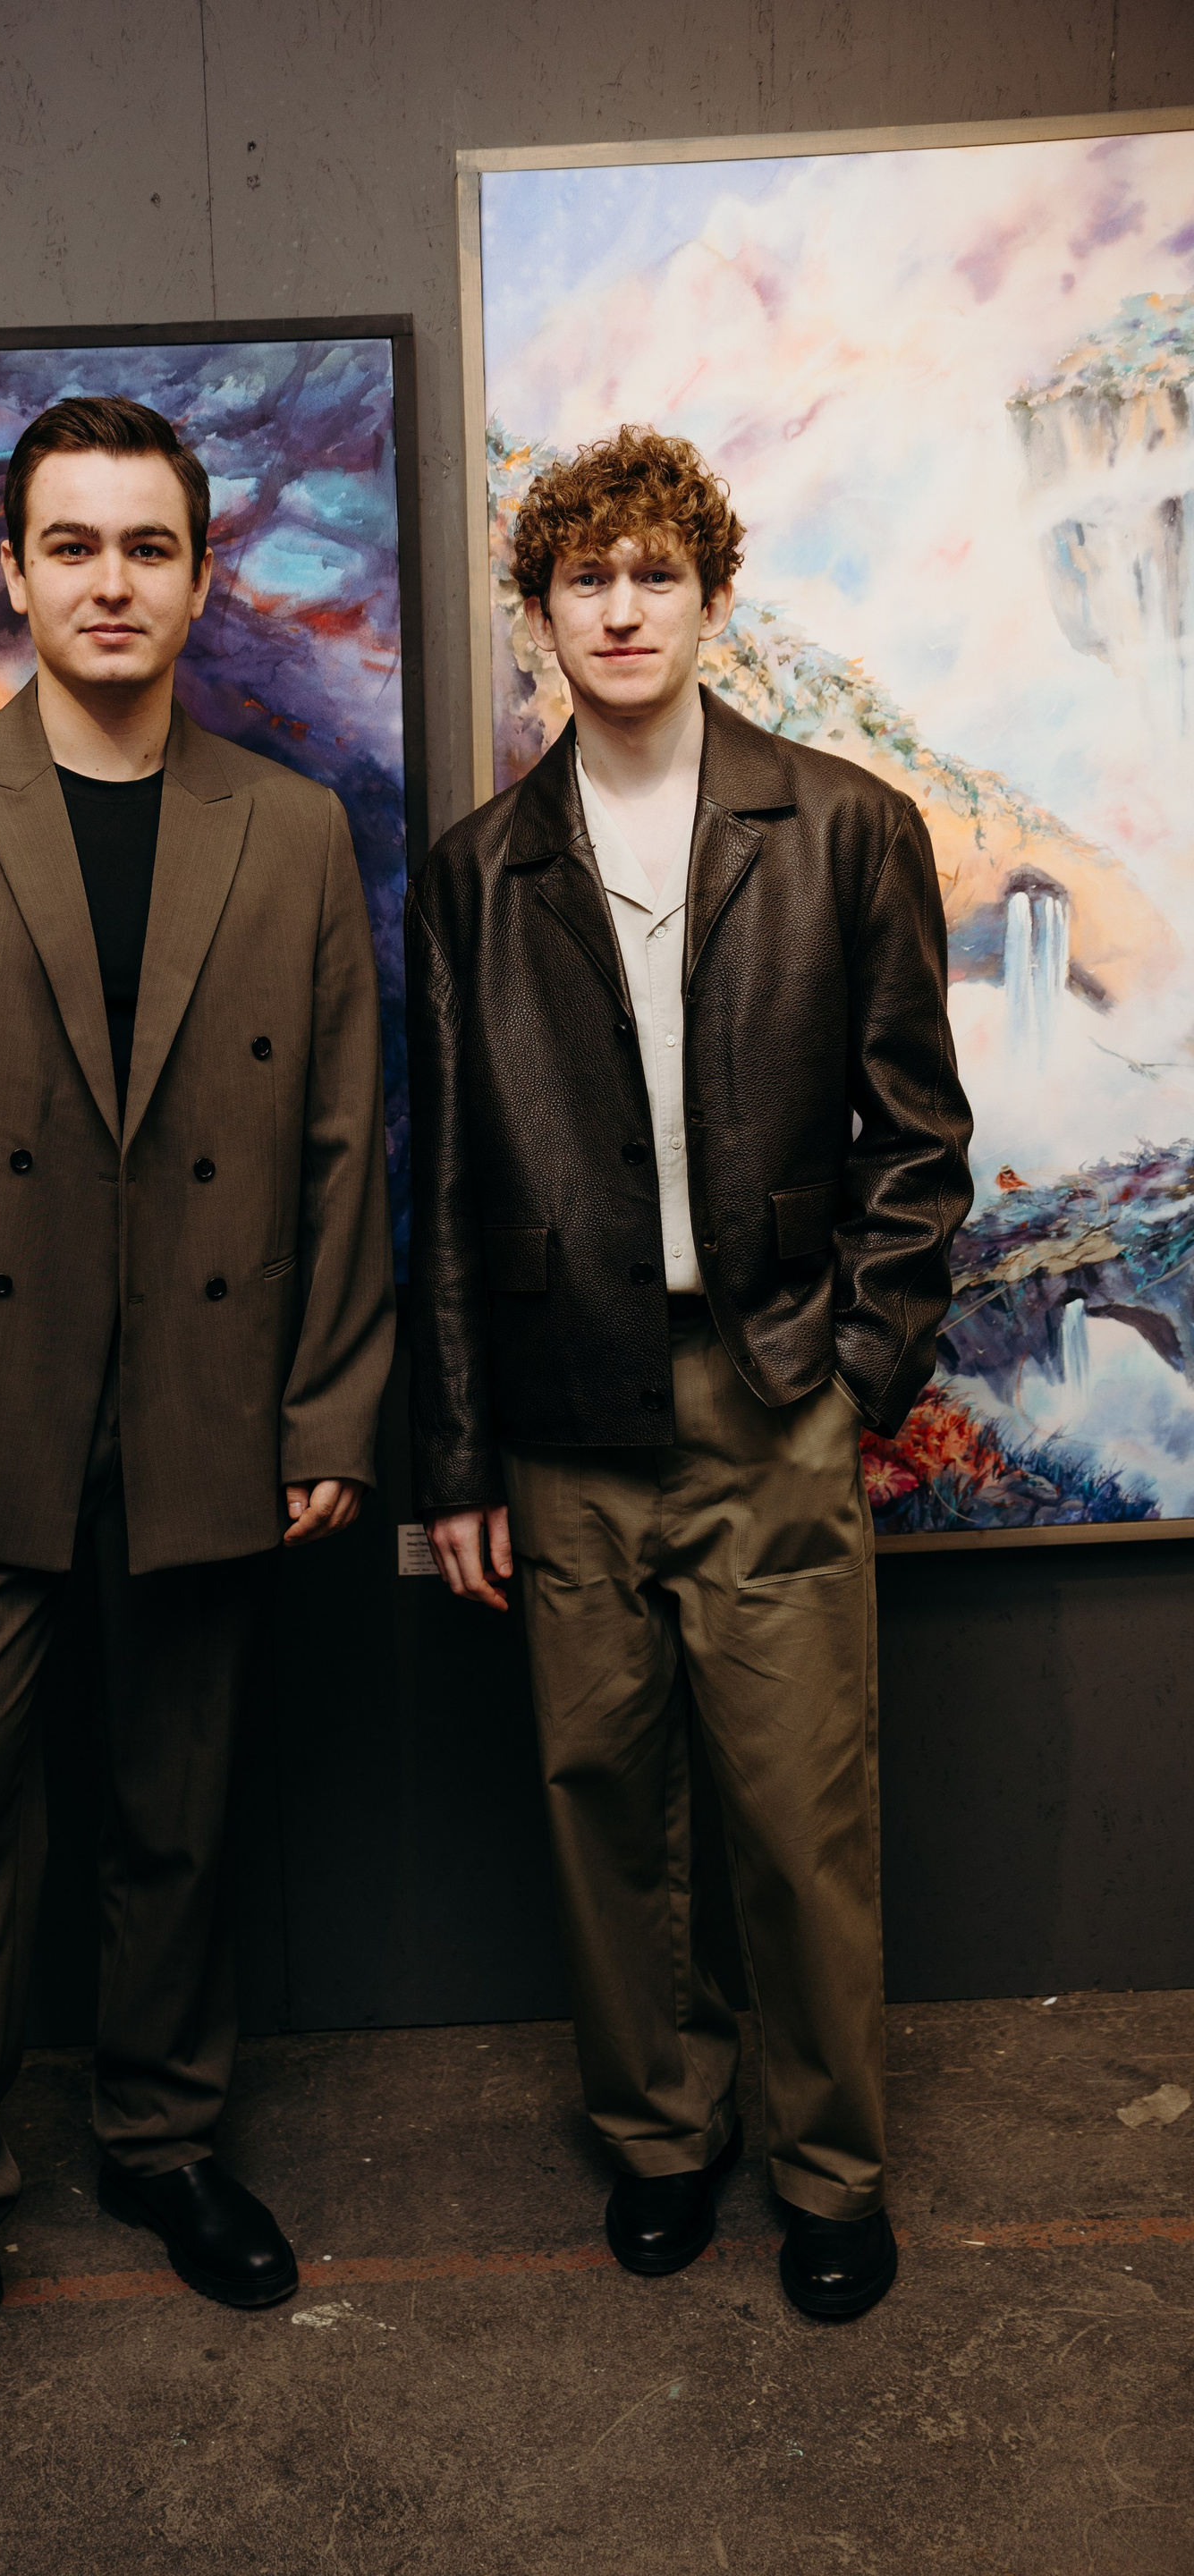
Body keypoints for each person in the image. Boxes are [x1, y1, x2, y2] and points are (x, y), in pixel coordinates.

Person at [0, 395, 394, 2455]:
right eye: (75, 545)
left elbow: (343, 1149)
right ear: (17, 573)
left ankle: (162, 2142)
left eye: (149, 546)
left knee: (177, 1817)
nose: (112, 582)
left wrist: (330, 1403)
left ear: (200, 577)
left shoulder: (288, 830)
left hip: (209, 1410)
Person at [408, 426, 972, 2323]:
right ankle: (662, 2139)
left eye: (658, 573)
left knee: (800, 1814)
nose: (624, 608)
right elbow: (449, 1191)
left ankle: (829, 2171)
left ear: (713, 596)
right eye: (588, 578)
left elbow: (919, 1143)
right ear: (542, 615)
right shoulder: (479, 873)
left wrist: (858, 1369)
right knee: (605, 1796)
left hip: (772, 1386)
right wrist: (456, 1458)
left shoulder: (845, 828)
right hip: (565, 1408)